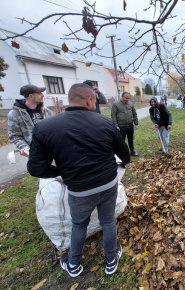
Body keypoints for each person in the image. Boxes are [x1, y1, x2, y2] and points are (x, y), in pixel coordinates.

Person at [27, 83, 131, 278]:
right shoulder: (105, 123)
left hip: (79, 189)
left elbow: (35, 168)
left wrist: (63, 172)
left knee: (79, 224)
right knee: (108, 221)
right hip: (108, 183)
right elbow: (124, 153)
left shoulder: (44, 128)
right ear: (90, 100)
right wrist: (125, 161)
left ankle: (73, 264)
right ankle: (111, 260)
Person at [7, 84, 53, 157]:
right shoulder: (14, 114)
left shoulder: (46, 111)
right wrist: (25, 148)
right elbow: (15, 136)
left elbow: (54, 129)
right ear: (31, 96)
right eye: (39, 93)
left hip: (51, 149)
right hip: (35, 153)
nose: (42, 95)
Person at [111, 92, 139, 157]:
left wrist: (136, 123)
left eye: (128, 98)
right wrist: (116, 125)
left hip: (130, 125)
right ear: (122, 96)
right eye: (126, 98)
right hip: (121, 126)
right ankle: (122, 153)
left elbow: (134, 114)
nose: (127, 100)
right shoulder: (116, 104)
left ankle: (132, 151)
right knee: (121, 141)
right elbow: (113, 115)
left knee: (131, 139)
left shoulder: (131, 104)